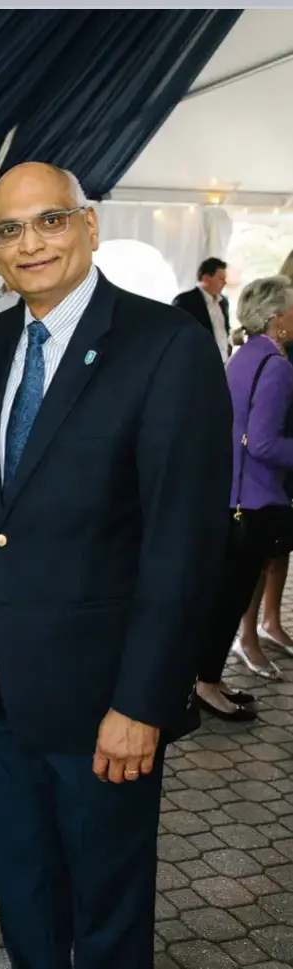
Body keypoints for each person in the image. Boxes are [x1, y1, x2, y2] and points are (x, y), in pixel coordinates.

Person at [0, 162, 231, 969]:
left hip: (104, 705)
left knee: (108, 918)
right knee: (25, 897)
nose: (30, 243)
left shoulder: (164, 346)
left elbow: (183, 543)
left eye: (49, 221)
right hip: (6, 692)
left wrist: (143, 700)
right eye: (9, 229)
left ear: (88, 225)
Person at [195, 275, 293, 699]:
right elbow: (265, 441)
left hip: (232, 493)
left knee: (226, 597)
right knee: (230, 600)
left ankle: (205, 681)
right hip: (254, 499)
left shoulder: (244, 354)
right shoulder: (276, 365)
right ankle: (208, 684)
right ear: (278, 320)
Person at [173, 257, 231, 361]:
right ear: (206, 279)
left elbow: (225, 330)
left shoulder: (223, 302)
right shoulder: (185, 301)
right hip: (197, 361)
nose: (225, 283)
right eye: (221, 279)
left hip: (223, 363)